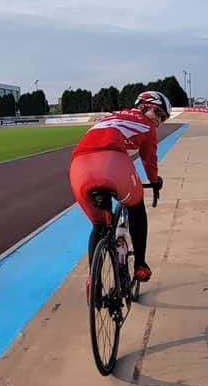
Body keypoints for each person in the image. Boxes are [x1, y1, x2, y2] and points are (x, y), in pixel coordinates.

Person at [69, 91, 171, 293]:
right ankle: (140, 265)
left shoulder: (110, 118)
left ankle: (94, 281)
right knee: (136, 204)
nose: (159, 121)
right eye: (158, 113)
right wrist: (154, 181)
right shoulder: (146, 125)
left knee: (99, 225)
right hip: (112, 164)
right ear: (142, 107)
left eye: (163, 118)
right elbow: (149, 161)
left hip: (78, 168)